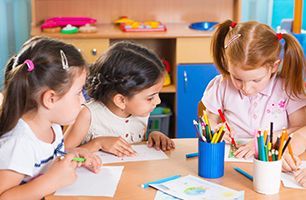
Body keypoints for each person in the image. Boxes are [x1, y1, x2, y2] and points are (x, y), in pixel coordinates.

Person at [0, 36, 101, 199]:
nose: (83, 100)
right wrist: (51, 181)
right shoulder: (19, 143)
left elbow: (44, 162)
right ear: (51, 99)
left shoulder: (52, 126)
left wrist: (71, 154)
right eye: (78, 93)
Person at [201, 20, 306, 159]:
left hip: (272, 160)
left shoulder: (287, 88)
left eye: (256, 80)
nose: (246, 88)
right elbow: (209, 120)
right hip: (233, 159)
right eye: (237, 78)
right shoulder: (222, 85)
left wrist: (263, 142)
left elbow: (300, 128)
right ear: (227, 64)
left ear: (274, 66)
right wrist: (214, 129)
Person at [64, 41, 175, 157]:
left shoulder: (140, 112)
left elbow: (132, 144)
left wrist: (152, 137)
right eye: (150, 98)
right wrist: (97, 144)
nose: (158, 101)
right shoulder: (87, 115)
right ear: (121, 100)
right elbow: (61, 156)